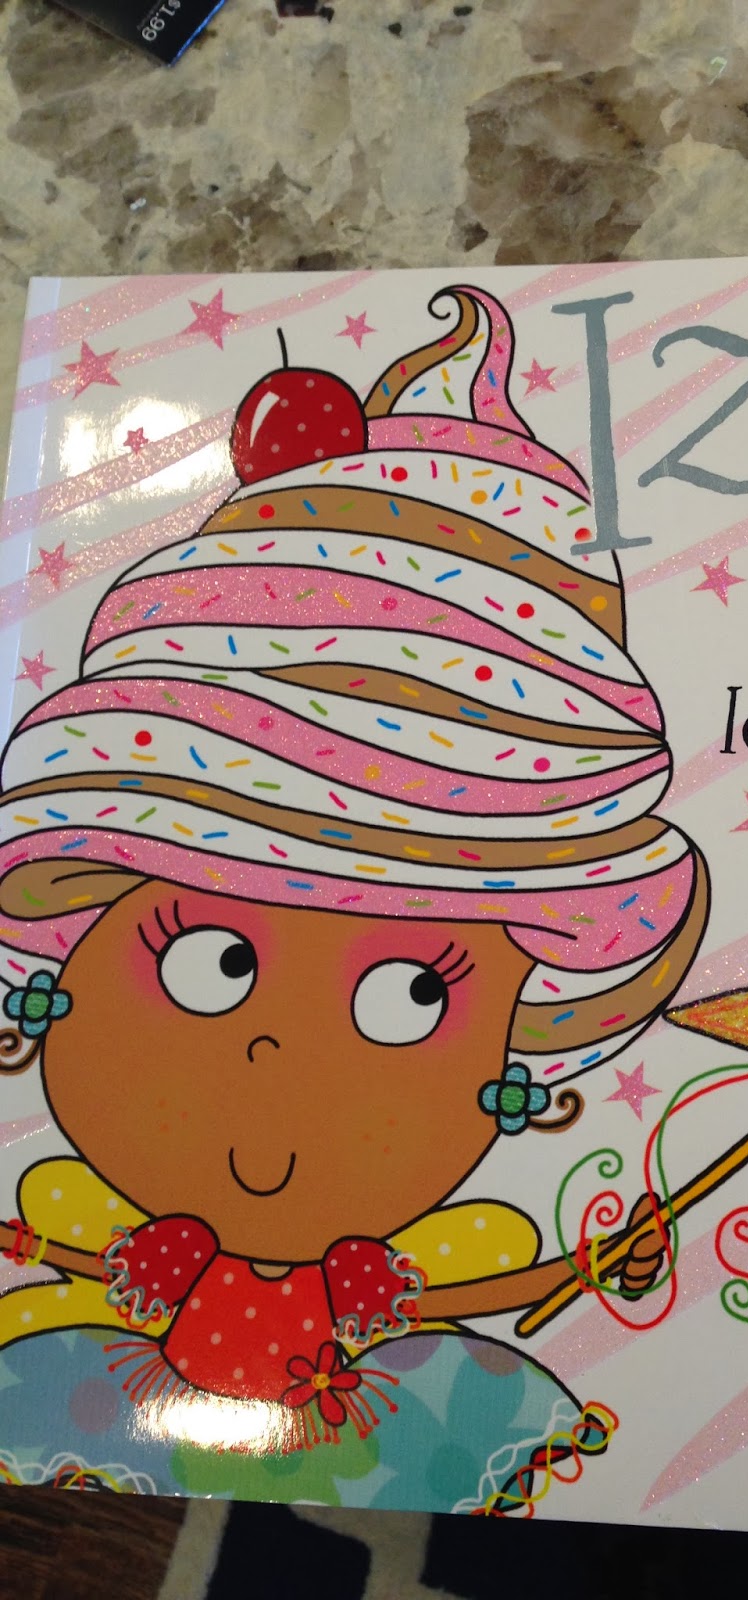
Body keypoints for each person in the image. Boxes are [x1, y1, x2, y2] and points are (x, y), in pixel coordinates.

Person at [0, 285, 708, 1512]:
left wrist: (595, 1266)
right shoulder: (140, 1254)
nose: (275, 1047)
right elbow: (54, 1247)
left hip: (370, 1429)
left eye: (412, 994)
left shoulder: (372, 1280)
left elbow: (472, 1294)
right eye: (211, 958)